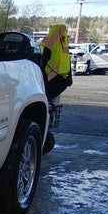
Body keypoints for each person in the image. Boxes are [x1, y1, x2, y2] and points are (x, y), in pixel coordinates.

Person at [38, 23, 74, 153]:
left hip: (51, 78)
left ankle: (45, 128)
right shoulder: (64, 43)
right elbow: (66, 61)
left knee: (47, 104)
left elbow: (43, 55)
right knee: (53, 104)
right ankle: (48, 126)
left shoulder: (50, 41)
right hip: (61, 80)